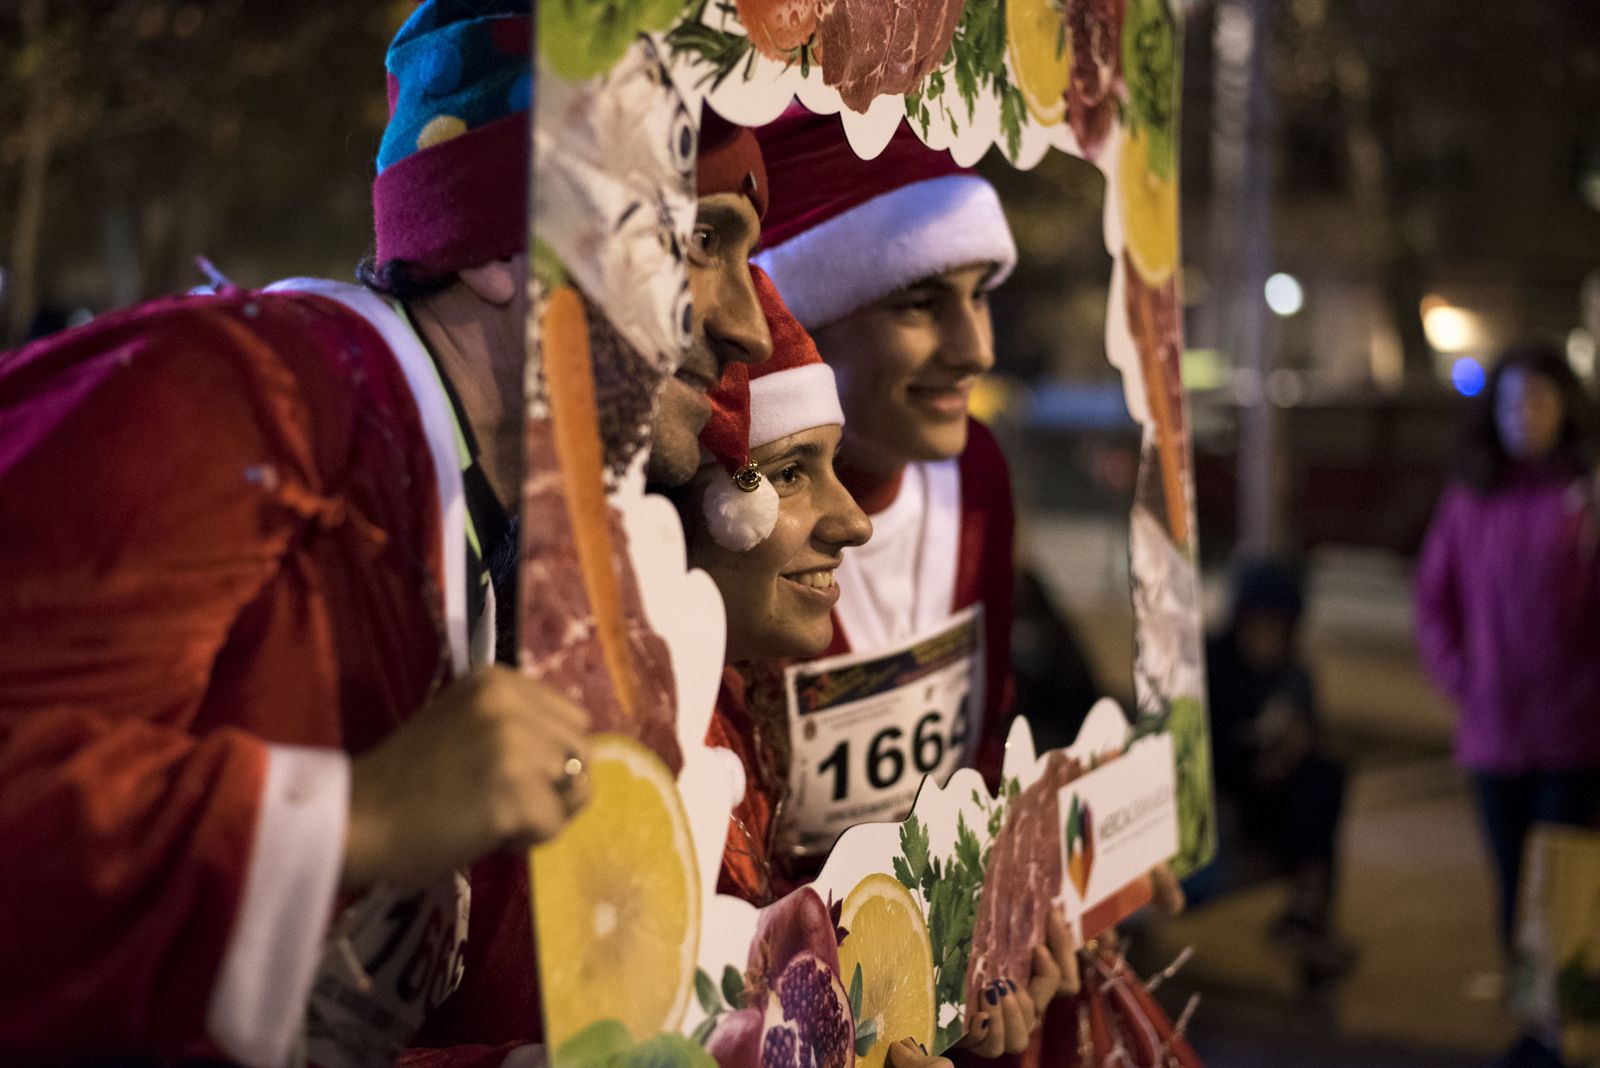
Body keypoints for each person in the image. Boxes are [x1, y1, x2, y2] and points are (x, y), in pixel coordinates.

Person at [0, 2, 772, 1063]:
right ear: (503, 246)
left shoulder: (464, 527)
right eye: (695, 242)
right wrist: (354, 819)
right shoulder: (243, 399)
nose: (748, 327)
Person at [679, 267, 1079, 1064]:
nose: (855, 522)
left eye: (983, 294)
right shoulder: (620, 738)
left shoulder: (741, 694)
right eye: (790, 473)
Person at [1415, 344, 1600, 982]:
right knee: (1512, 884)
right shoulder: (1470, 500)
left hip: (1574, 734)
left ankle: (1561, 1023)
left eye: (1541, 400)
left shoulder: (1585, 500)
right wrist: (1461, 676)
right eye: (1514, 401)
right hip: (1492, 734)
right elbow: (1434, 600)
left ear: (1563, 408)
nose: (1526, 415)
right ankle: (1530, 1018)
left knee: (1566, 887)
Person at [1203, 559, 1354, 991]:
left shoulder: (1293, 675)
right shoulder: (1208, 665)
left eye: (1277, 626)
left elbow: (1308, 738)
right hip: (1221, 796)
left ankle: (1307, 915)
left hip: (1276, 799)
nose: (1266, 636)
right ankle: (1305, 914)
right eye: (1258, 624)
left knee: (1325, 776)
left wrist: (1290, 748)